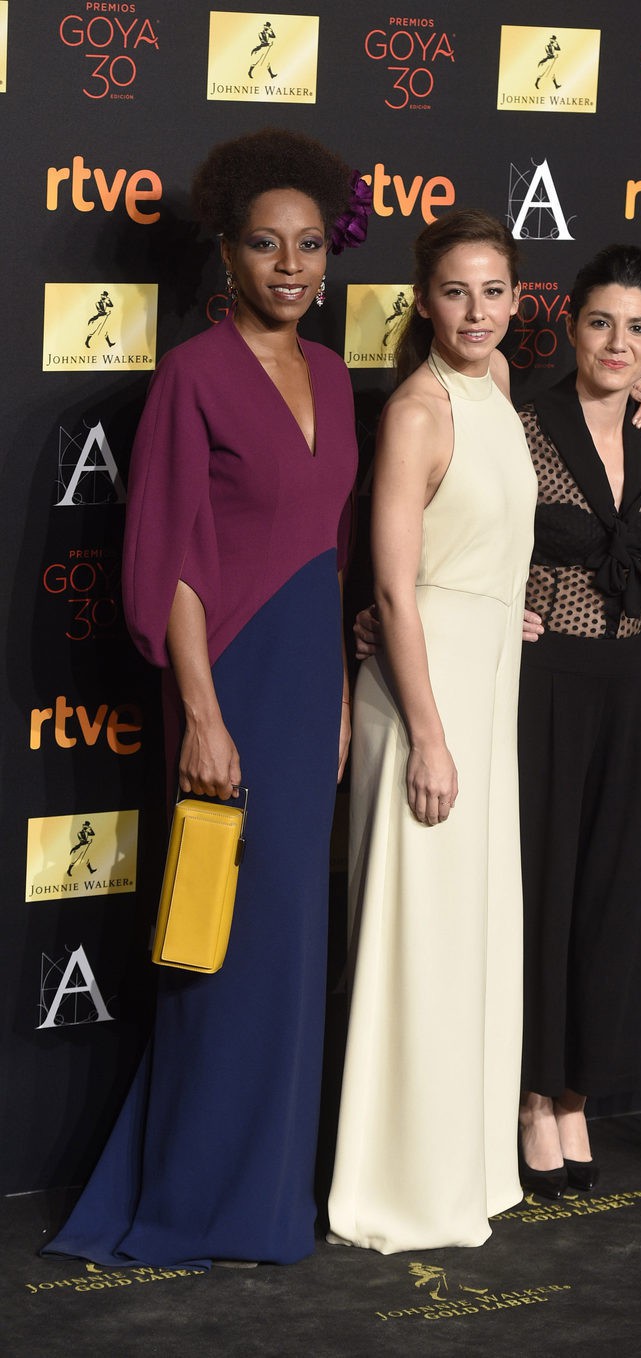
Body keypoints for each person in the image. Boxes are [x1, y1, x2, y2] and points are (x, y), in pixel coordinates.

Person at [42, 127, 367, 1267]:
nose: (290, 266)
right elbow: (168, 557)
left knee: (284, 946)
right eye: (265, 245)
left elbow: (329, 550)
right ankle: (189, 1197)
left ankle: (268, 1197)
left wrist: (335, 695)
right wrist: (206, 713)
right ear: (226, 255)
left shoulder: (331, 374)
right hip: (226, 680)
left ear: (329, 256)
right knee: (214, 948)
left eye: (309, 246)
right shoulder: (192, 372)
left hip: (305, 677)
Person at [326, 209, 537, 1253]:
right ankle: (397, 1181)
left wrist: (508, 604)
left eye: (493, 290)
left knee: (468, 943)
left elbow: (480, 541)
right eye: (455, 291)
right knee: (419, 942)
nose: (476, 311)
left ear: (514, 299)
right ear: (422, 300)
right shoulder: (415, 409)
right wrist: (429, 734)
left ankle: (463, 1162)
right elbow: (394, 590)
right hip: (429, 700)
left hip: (480, 685)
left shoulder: (494, 390)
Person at [516, 245, 641, 1199]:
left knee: (612, 890)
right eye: (603, 322)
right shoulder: (522, 424)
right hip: (546, 683)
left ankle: (578, 1092)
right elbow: (464, 528)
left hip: (635, 681)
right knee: (548, 883)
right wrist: (494, 604)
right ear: (571, 325)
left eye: (639, 327)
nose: (619, 342)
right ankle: (532, 1097)